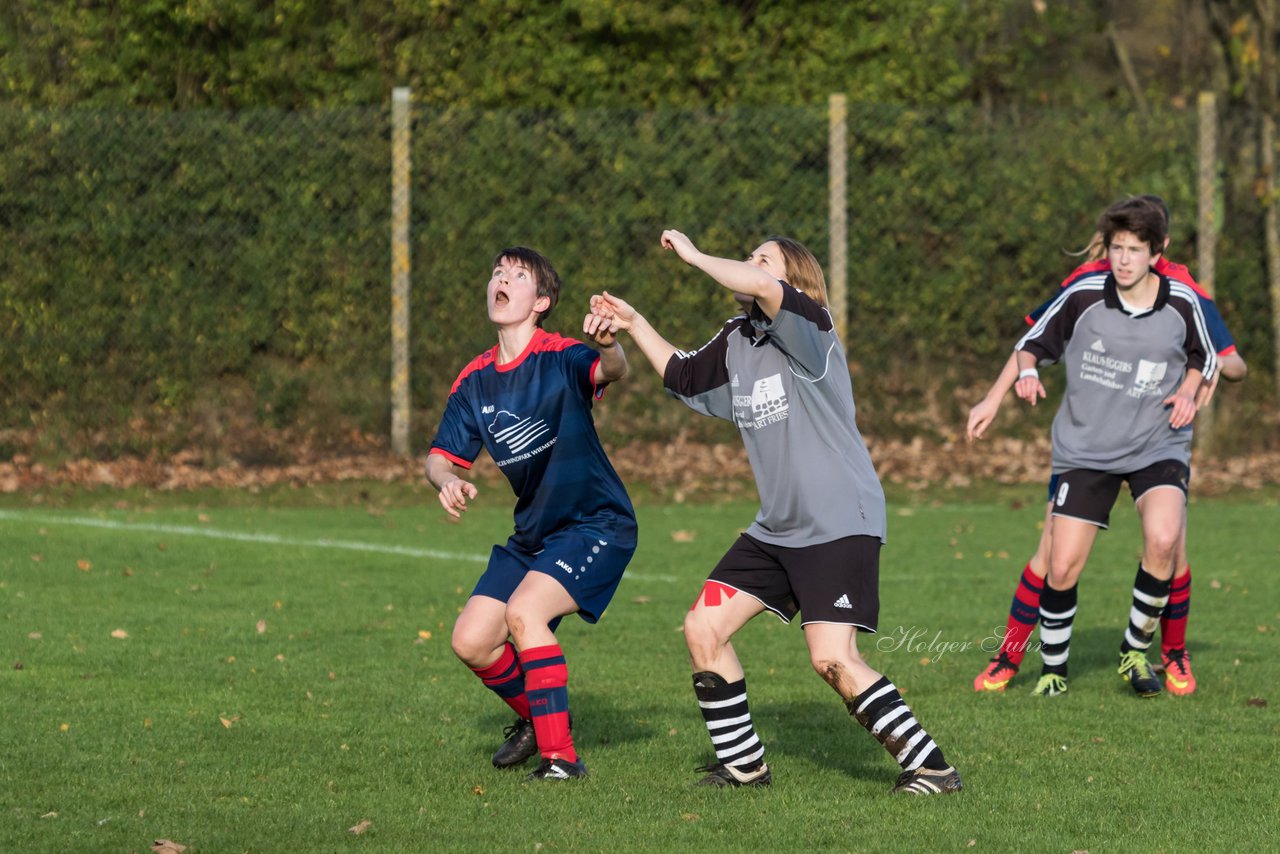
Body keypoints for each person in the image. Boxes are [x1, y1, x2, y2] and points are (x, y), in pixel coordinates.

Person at [586, 230, 961, 794]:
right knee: (703, 627)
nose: (751, 264)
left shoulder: (811, 327)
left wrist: (692, 257)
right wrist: (635, 324)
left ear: (793, 281)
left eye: (764, 259)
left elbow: (762, 284)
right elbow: (683, 377)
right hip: (777, 528)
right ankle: (745, 765)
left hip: (838, 522)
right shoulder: (740, 338)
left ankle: (933, 768)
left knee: (832, 659)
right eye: (751, 254)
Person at [969, 196, 1246, 696]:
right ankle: (1018, 657)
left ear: (1156, 250)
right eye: (1116, 247)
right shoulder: (1085, 287)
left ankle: (1153, 651)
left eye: (1133, 249)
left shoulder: (1186, 294)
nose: (1121, 258)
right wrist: (998, 394)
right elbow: (1032, 342)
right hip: (1087, 448)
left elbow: (1217, 356)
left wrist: (1197, 383)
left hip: (1157, 443)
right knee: (1054, 560)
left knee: (1167, 543)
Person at [426, 246, 638, 781]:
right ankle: (538, 721)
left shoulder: (560, 355)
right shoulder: (475, 379)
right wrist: (447, 478)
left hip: (597, 523)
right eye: (497, 271)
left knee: (525, 614)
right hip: (535, 534)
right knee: (471, 640)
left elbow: (612, 370)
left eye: (517, 275)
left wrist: (610, 345)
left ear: (540, 301)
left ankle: (561, 759)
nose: (502, 278)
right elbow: (438, 457)